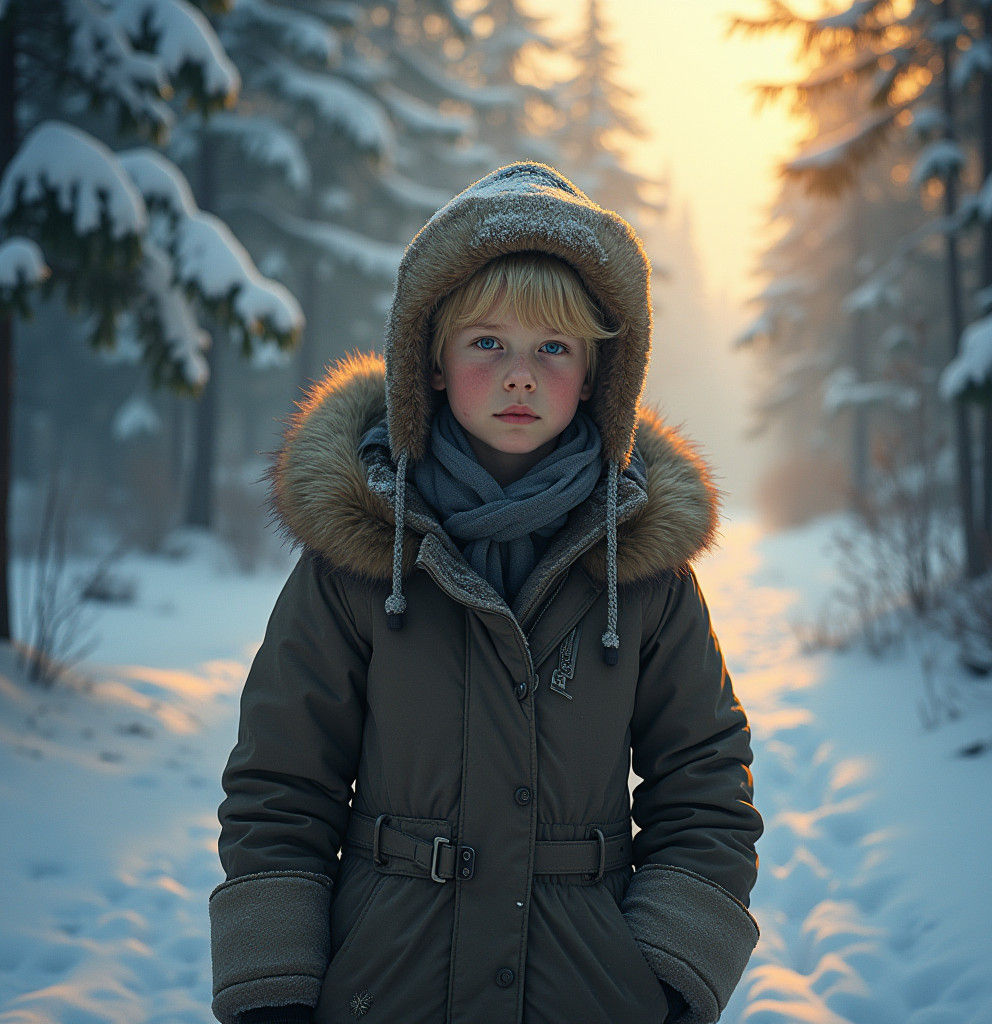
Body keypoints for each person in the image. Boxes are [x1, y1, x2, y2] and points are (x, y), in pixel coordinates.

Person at [209, 161, 763, 1024]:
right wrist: (273, 989)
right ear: (431, 362)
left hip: (587, 996)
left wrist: (667, 978)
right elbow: (282, 781)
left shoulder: (643, 570)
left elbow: (706, 783)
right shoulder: (358, 556)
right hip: (385, 989)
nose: (520, 375)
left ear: (598, 374)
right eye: (487, 344)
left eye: (554, 347)